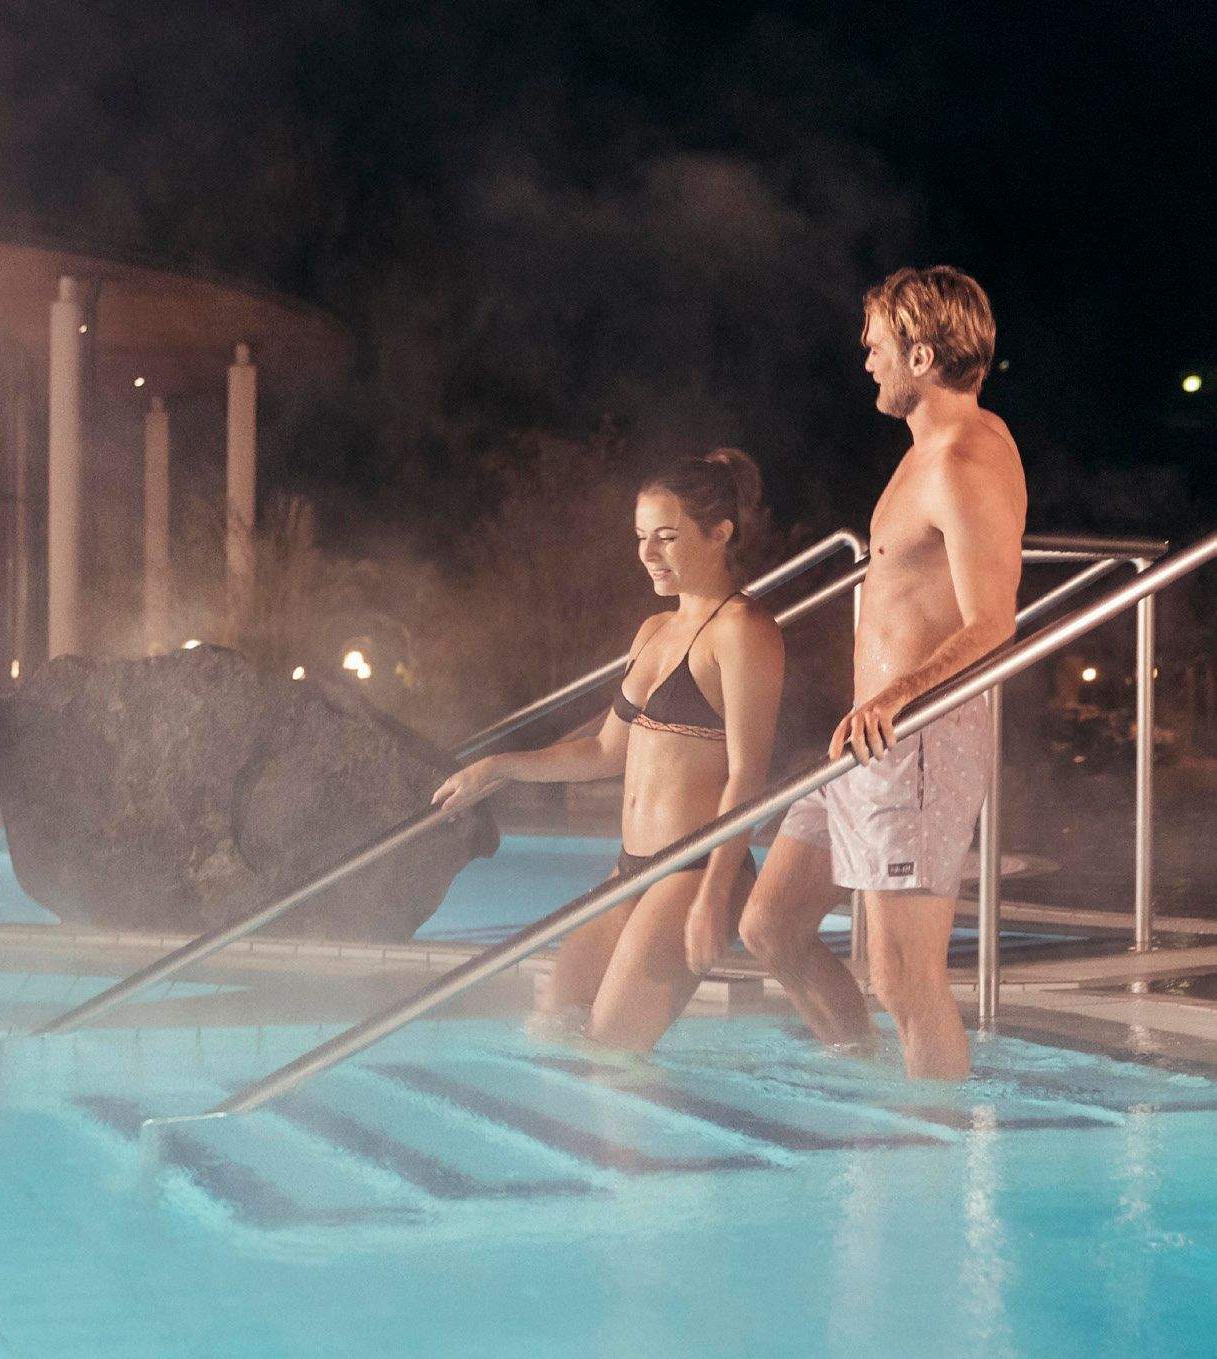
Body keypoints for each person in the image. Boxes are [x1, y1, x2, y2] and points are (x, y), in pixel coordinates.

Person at [737, 265, 1024, 1081]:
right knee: (773, 926)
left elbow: (993, 620)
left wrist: (898, 693)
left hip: (916, 738)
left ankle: (932, 1153)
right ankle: (859, 1072)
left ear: (923, 356)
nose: (866, 360)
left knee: (903, 977)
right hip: (870, 737)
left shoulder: (962, 459)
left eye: (876, 347)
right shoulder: (927, 451)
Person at [433, 449, 783, 1052]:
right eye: (642, 537)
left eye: (667, 537)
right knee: (556, 1019)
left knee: (611, 1049)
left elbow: (749, 776)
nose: (648, 554)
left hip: (692, 869)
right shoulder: (653, 630)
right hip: (630, 868)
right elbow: (602, 751)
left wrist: (714, 895)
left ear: (719, 534)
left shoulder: (744, 632)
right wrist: (498, 767)